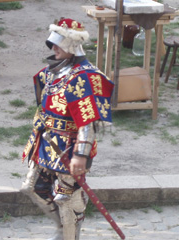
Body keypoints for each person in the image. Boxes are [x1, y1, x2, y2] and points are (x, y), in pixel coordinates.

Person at [20, 17, 114, 240]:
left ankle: (70, 233)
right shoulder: (53, 72)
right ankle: (64, 226)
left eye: (58, 44)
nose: (53, 48)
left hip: (70, 148)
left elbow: (87, 121)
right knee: (33, 188)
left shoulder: (83, 77)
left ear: (71, 46)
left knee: (65, 198)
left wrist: (80, 156)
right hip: (46, 143)